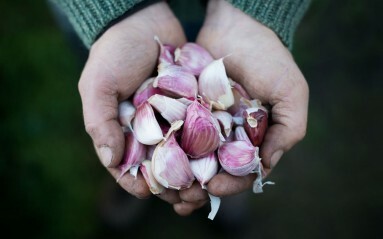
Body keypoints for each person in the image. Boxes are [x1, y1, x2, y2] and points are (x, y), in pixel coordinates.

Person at [50, 0, 310, 216]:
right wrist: (114, 14)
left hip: (225, 17)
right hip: (118, 24)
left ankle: (212, 176)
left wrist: (257, 11)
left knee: (123, 117)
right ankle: (136, 167)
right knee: (109, 91)